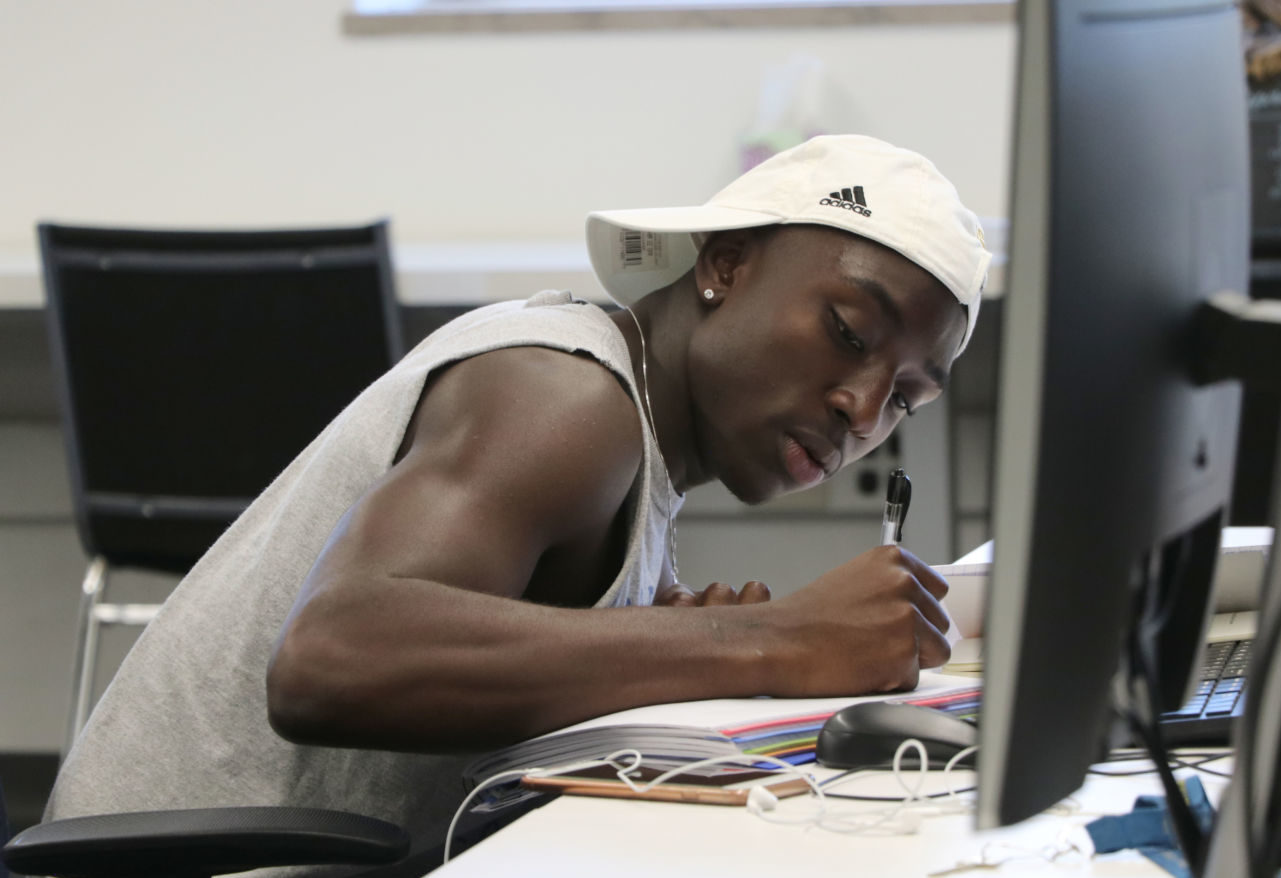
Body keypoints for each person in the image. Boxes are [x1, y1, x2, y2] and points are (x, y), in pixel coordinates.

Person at [45, 134, 991, 866]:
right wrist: (772, 643)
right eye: (846, 331)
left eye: (907, 397)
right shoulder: (567, 395)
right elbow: (332, 659)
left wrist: (673, 657)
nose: (862, 407)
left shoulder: (639, 441)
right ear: (726, 263)